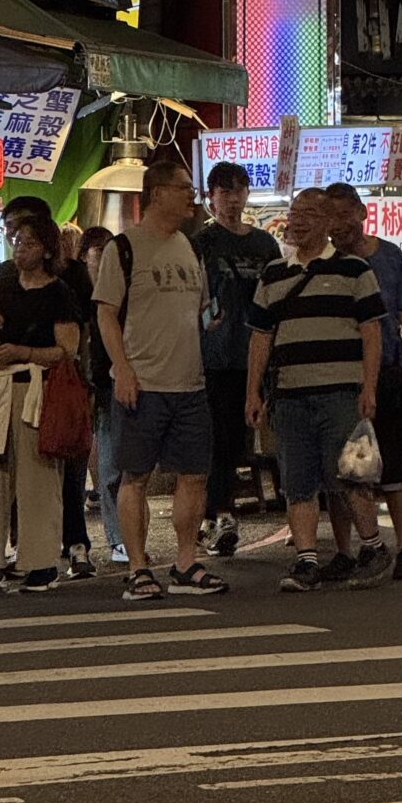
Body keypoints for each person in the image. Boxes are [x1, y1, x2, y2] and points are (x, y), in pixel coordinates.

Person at [94, 159, 226, 602]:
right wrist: (124, 370)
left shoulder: (192, 249)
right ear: (157, 193)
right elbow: (106, 313)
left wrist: (211, 318)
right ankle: (138, 567)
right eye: (185, 187)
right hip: (143, 384)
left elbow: (203, 309)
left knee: (194, 475)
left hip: (190, 384)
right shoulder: (124, 248)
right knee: (135, 476)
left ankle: (186, 562)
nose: (193, 196)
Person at [246, 187, 387, 591]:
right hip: (290, 395)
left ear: (328, 222)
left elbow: (371, 332)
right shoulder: (273, 274)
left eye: (309, 212)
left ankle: (373, 546)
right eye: (294, 212)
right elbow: (260, 337)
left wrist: (369, 387)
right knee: (296, 480)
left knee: (352, 473)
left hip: (344, 392)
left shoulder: (355, 270)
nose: (298, 219)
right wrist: (252, 392)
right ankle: (306, 560)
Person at [325, 183, 402, 582]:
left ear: (361, 213)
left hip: (386, 372)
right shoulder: (324, 260)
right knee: (342, 469)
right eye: (331, 216)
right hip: (339, 375)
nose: (340, 224)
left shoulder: (389, 257)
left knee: (396, 466)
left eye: (345, 213)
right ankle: (343, 551)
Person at [0, 215, 80, 593]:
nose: (20, 248)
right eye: (17, 241)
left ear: (47, 250)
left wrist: (23, 350)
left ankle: (40, 562)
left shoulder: (58, 293)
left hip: (34, 385)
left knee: (38, 477)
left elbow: (66, 350)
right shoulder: (1, 283)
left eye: (29, 243)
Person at [192, 161, 281, 560]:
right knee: (221, 439)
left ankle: (223, 513)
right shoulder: (201, 243)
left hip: (261, 355)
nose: (232, 199)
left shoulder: (265, 244)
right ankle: (218, 515)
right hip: (217, 357)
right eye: (224, 191)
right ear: (210, 197)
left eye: (239, 190)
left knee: (249, 438)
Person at [79, 223, 125, 565]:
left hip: (118, 384)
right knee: (106, 468)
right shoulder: (78, 295)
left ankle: (123, 537)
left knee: (126, 468)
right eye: (99, 253)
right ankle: (115, 538)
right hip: (91, 389)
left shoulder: (125, 294)